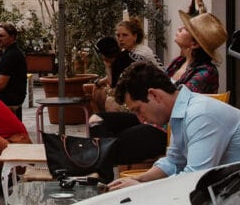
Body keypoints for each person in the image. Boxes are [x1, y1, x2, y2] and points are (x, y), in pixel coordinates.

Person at [105, 61, 240, 191]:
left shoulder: (200, 114)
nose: (141, 119)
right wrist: (140, 180)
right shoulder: (182, 111)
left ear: (154, 95)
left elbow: (194, 179)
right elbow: (173, 161)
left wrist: (141, 189)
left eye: (139, 110)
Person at [93, 10, 228, 165]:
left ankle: (99, 174)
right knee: (98, 120)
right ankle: (100, 173)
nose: (179, 29)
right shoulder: (178, 62)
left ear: (194, 43)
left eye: (184, 29)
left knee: (114, 144)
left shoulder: (206, 72)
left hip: (169, 130)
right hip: (151, 118)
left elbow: (178, 104)